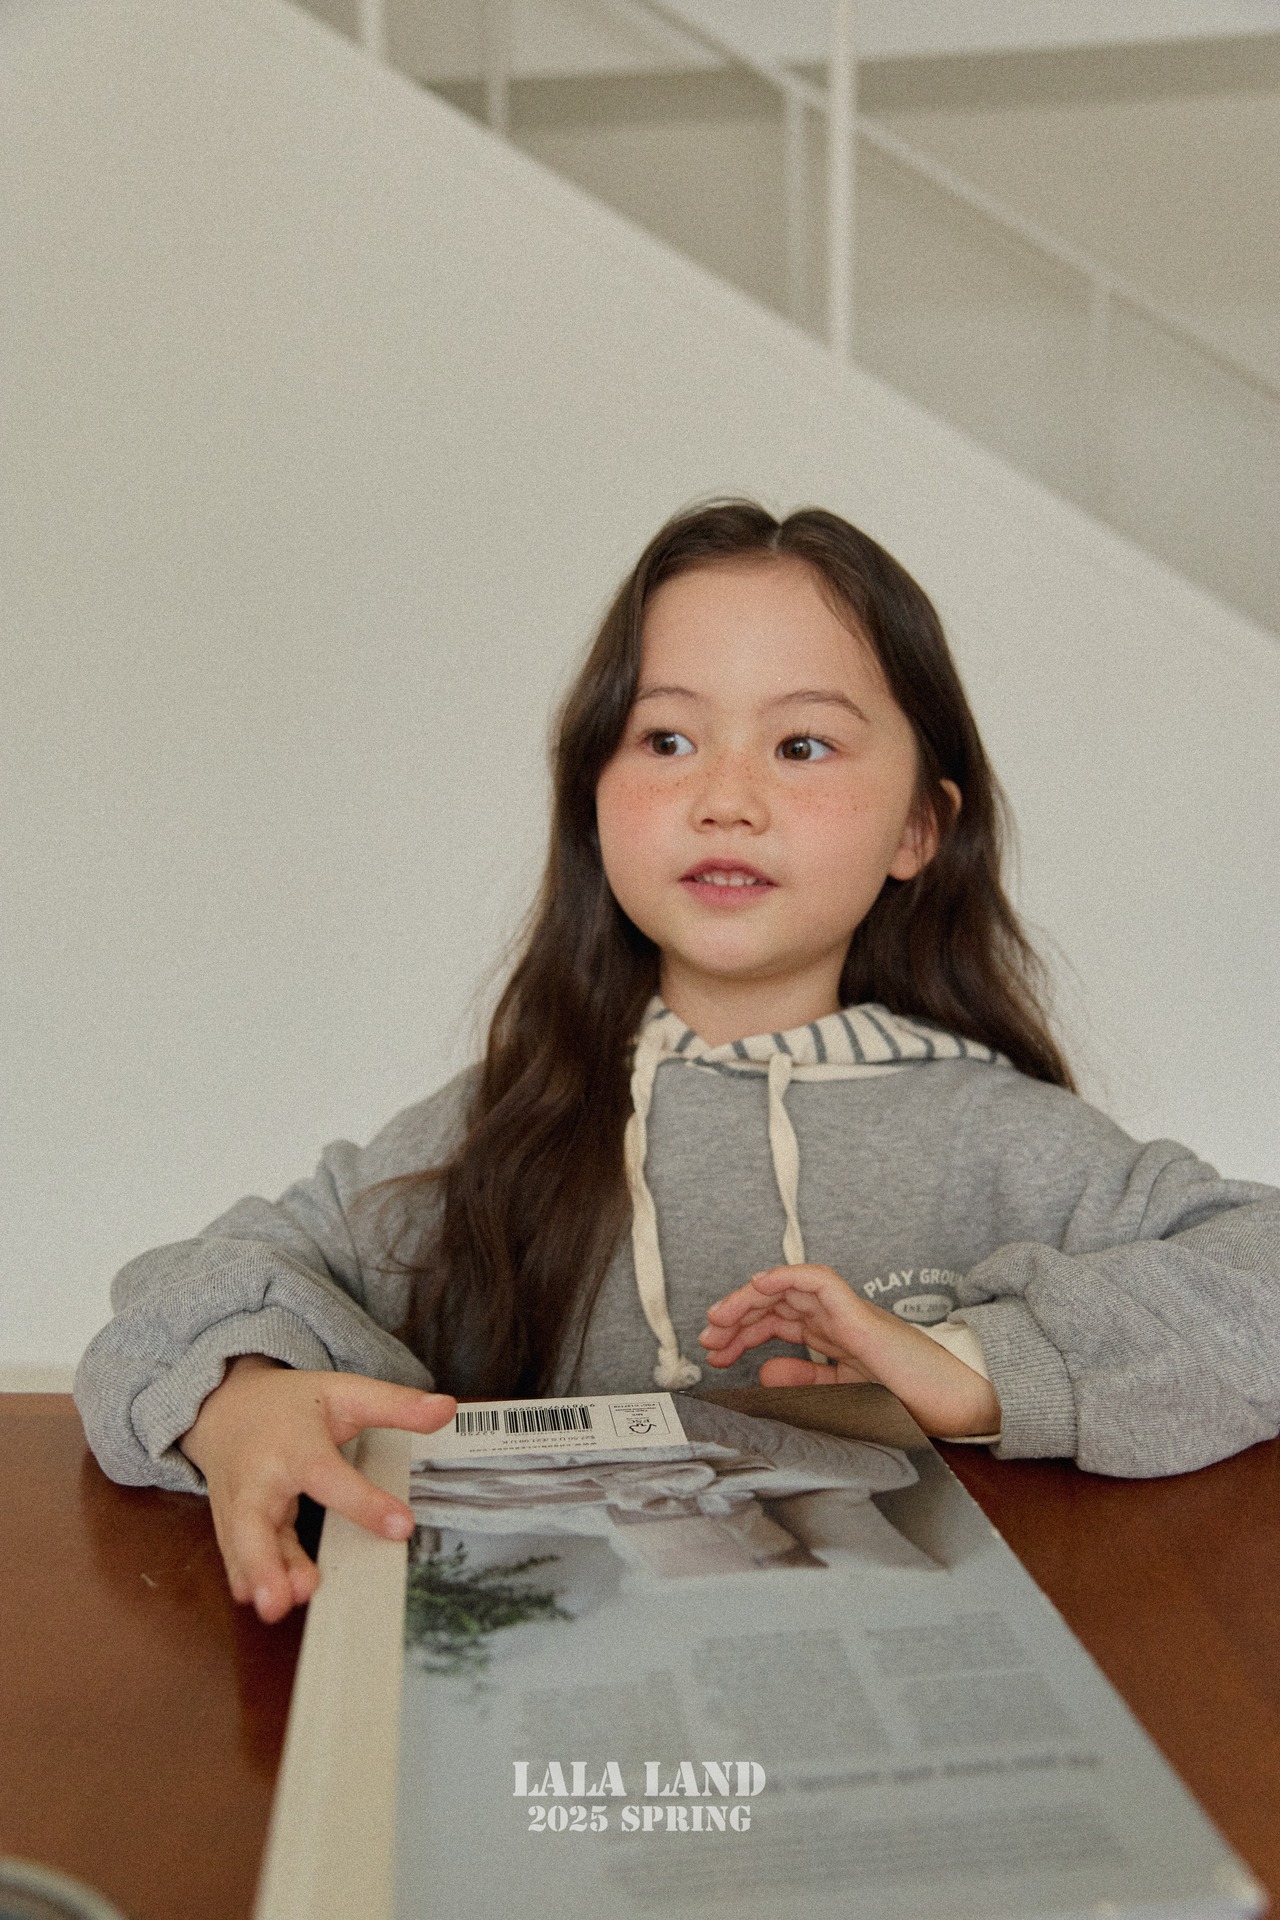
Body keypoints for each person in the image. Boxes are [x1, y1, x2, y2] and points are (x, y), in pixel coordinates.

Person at [75, 501, 1280, 1624]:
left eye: (801, 744)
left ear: (919, 826)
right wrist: (238, 1392)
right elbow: (186, 1291)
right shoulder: (497, 1126)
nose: (723, 797)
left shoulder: (1002, 1138)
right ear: (591, 800)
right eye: (665, 738)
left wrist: (973, 1369)